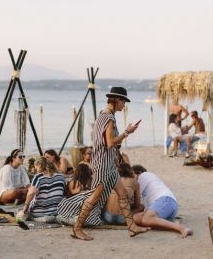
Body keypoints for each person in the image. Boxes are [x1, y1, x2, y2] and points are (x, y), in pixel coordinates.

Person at [57, 86, 147, 240]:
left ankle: (131, 227)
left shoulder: (102, 115)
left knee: (123, 193)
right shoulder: (109, 118)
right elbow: (110, 142)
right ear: (117, 99)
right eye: (123, 101)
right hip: (103, 166)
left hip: (109, 165)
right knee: (94, 198)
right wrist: (127, 132)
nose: (124, 105)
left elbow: (106, 142)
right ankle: (77, 228)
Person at [132, 165, 193, 238]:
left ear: (138, 172)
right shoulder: (149, 186)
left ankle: (182, 228)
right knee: (135, 217)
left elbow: (133, 198)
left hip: (165, 200)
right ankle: (170, 224)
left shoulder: (143, 175)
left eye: (132, 175)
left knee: (146, 218)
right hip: (165, 206)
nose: (131, 179)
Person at [18, 157, 66, 222]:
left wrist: (26, 205)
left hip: (39, 212)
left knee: (21, 212)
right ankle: (50, 217)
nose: (35, 169)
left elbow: (31, 193)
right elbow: (63, 193)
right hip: (56, 211)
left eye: (36, 167)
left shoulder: (38, 177)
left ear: (40, 166)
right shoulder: (61, 177)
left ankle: (36, 219)